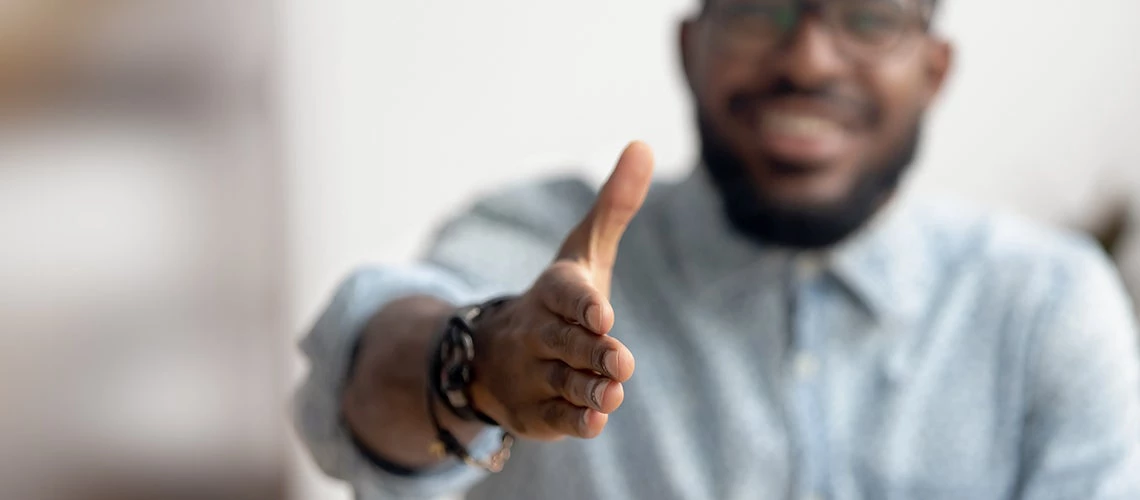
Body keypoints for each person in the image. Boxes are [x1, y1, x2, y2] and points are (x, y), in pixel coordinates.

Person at [293, 0, 1140, 498]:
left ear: (935, 69)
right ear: (690, 47)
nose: (808, 59)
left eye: (870, 16)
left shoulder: (1048, 306)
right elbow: (361, 373)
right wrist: (474, 362)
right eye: (756, 6)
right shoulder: (534, 244)